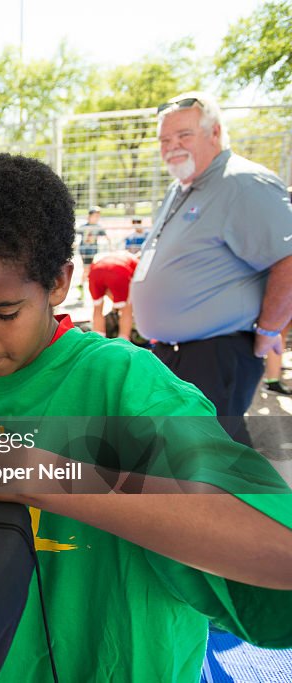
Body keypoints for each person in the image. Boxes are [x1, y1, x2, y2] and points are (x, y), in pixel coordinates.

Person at [0, 153, 292, 682]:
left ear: (60, 283)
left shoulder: (126, 384)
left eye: (5, 312)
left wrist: (23, 471)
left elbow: (276, 545)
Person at [130, 92, 292, 445]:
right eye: (165, 139)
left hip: (215, 354)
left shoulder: (243, 183)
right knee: (196, 458)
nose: (172, 146)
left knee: (203, 463)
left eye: (184, 135)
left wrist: (269, 330)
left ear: (215, 133)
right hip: (173, 352)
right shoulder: (182, 187)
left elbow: (288, 261)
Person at [88, 250, 139, 341]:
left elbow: (109, 289)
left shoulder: (117, 254)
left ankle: (97, 340)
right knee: (127, 309)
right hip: (118, 272)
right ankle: (123, 340)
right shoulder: (136, 262)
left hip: (96, 271)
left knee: (97, 307)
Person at [77, 205, 105, 293]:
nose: (97, 218)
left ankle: (83, 285)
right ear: (89, 216)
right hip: (85, 251)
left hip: (94, 251)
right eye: (95, 216)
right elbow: (76, 233)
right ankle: (83, 286)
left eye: (98, 216)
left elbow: (105, 236)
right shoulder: (84, 227)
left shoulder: (98, 227)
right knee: (87, 269)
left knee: (90, 269)